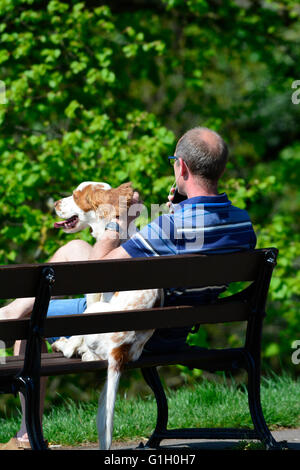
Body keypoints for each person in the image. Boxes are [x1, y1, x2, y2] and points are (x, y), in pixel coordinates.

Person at [0, 127, 256, 449]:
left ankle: (26, 436)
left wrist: (116, 218)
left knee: (27, 322)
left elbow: (97, 276)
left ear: (182, 168)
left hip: (136, 332)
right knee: (75, 248)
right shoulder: (243, 225)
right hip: (176, 331)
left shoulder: (168, 225)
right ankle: (13, 309)